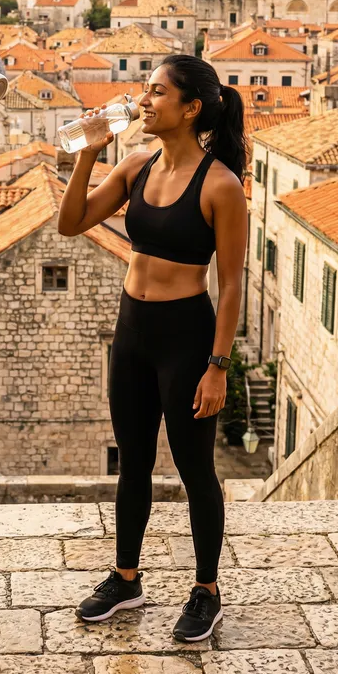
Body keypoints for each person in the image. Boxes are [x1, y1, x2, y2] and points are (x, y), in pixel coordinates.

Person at [58, 54, 248, 642]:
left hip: (186, 337)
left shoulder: (221, 185)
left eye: (157, 92)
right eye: (146, 90)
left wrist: (217, 367)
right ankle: (126, 578)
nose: (144, 101)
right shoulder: (136, 164)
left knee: (195, 469)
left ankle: (207, 590)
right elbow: (71, 222)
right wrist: (88, 153)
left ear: (191, 108)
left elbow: (232, 285)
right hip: (132, 331)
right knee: (133, 460)